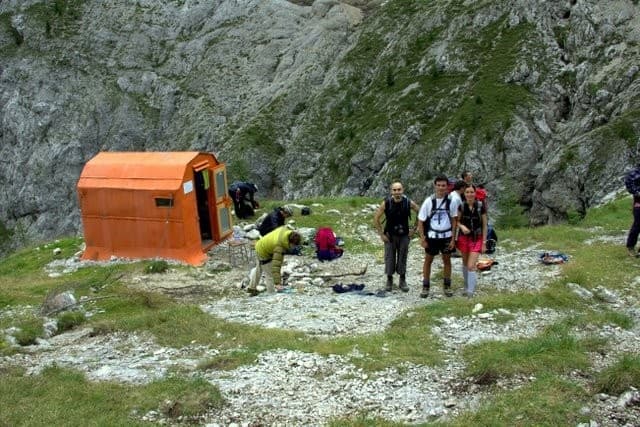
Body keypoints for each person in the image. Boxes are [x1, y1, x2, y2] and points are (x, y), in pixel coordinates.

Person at [373, 182, 420, 292]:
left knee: (403, 256)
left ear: (402, 190)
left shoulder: (408, 202)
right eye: (394, 190)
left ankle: (402, 280)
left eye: (399, 190)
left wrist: (414, 229)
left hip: (404, 234)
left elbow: (420, 212)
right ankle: (389, 280)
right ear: (391, 191)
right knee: (389, 257)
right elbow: (376, 218)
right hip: (389, 235)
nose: (397, 192)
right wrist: (381, 234)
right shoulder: (387, 203)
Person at [417, 175, 459, 298]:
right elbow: (420, 220)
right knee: (428, 260)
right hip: (432, 236)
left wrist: (453, 239)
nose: (441, 188)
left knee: (447, 260)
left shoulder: (452, 201)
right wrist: (422, 238)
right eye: (439, 185)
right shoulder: (428, 201)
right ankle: (425, 286)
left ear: (447, 187)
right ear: (435, 186)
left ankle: (447, 285)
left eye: (443, 185)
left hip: (446, 236)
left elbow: (454, 220)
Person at [247, 226, 302, 295]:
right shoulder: (279, 246)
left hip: (260, 245)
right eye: (293, 245)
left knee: (259, 268)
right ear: (290, 242)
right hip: (263, 251)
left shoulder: (286, 231)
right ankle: (271, 294)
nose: (293, 247)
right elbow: (276, 266)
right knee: (269, 273)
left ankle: (251, 288)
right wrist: (277, 283)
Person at [456, 184, 488, 297]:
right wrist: (462, 227)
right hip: (463, 238)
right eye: (467, 192)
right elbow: (457, 221)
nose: (469, 194)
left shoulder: (480, 206)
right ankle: (466, 285)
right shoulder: (461, 206)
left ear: (475, 193)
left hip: (476, 238)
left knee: (470, 265)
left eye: (471, 192)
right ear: (464, 194)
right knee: (465, 263)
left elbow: (485, 225)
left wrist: (484, 242)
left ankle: (470, 290)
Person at [624, 164, 640, 256]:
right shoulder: (634, 173)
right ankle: (630, 247)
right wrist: (638, 192)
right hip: (639, 201)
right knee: (637, 225)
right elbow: (630, 186)